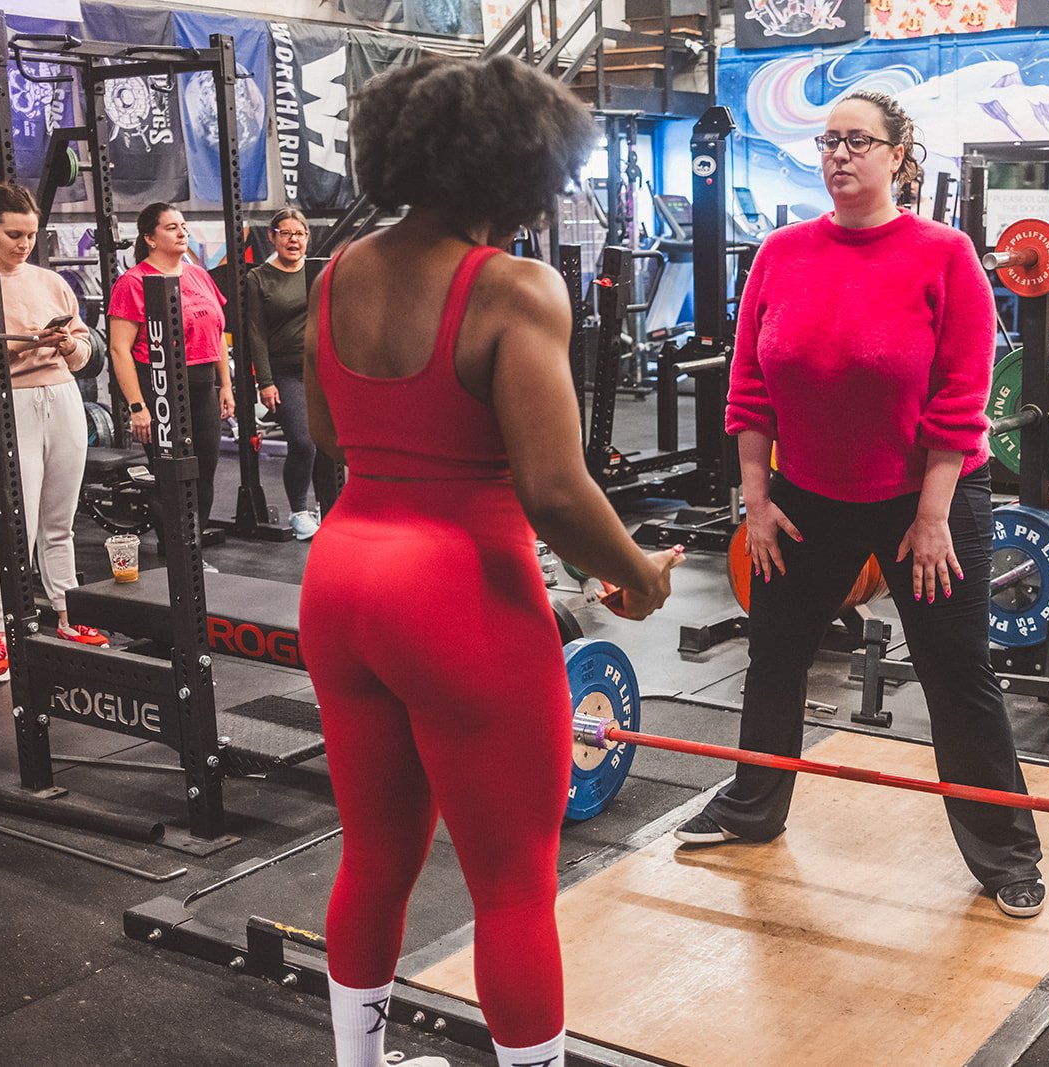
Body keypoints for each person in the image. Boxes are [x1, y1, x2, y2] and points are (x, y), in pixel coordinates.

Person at [299, 55, 683, 1067]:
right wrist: (638, 574)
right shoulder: (514, 287)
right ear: (520, 167)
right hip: (458, 589)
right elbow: (555, 490)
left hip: (342, 580)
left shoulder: (338, 270)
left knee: (375, 854)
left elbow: (331, 434)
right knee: (512, 883)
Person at [672, 89, 1047, 920]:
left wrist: (932, 515)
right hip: (805, 496)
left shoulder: (945, 255)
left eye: (858, 141)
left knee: (957, 673)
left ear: (897, 155)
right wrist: (757, 501)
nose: (840, 155)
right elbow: (750, 387)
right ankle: (752, 808)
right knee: (773, 655)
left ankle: (1007, 852)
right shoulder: (780, 253)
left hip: (929, 498)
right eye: (828, 141)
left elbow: (959, 398)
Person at [0, 182, 108, 685]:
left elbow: (83, 351)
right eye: (13, 234)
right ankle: (5, 630)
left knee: (60, 521)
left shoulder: (51, 282)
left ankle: (66, 613)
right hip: (6, 405)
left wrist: (65, 345)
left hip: (62, 398)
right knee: (13, 527)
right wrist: (18, 349)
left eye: (31, 235)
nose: (23, 244)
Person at [106, 203, 234, 565]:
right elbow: (119, 349)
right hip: (158, 386)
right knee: (171, 476)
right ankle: (176, 555)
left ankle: (191, 551)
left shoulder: (199, 276)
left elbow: (218, 333)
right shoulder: (132, 283)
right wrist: (137, 406)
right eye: (171, 227)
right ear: (149, 238)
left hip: (203, 383)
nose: (182, 233)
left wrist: (225, 386)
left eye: (184, 226)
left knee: (204, 469)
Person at [243, 207, 320, 539]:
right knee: (303, 442)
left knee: (331, 445)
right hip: (286, 373)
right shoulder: (258, 278)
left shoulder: (318, 272)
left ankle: (329, 509)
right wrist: (266, 381)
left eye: (300, 233)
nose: (294, 240)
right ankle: (299, 512)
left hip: (322, 370)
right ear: (272, 236)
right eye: (286, 233)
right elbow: (255, 333)